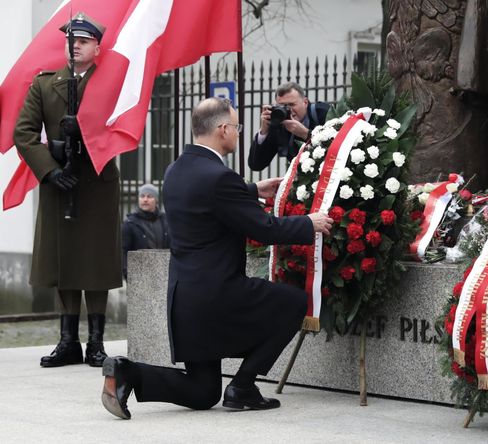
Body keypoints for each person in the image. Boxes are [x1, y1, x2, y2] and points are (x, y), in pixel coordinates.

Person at [100, 98, 333, 419]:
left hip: (185, 301)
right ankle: (243, 386)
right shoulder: (219, 177)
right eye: (236, 127)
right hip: (219, 297)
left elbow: (207, 200)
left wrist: (251, 189)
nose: (238, 133)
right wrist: (310, 223)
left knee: (203, 391)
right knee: (294, 303)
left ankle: (127, 374)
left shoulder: (176, 169)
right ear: (222, 130)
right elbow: (264, 228)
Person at [13, 13, 121, 368]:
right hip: (59, 182)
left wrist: (87, 129)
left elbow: (123, 129)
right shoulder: (44, 84)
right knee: (65, 260)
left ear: (97, 46)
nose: (75, 45)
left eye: (83, 40)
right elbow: (24, 133)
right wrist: (49, 171)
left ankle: (96, 342)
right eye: (71, 40)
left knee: (95, 261)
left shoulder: (112, 82)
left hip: (96, 181)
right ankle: (67, 340)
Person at [248, 82, 329, 170]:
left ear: (305, 102)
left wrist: (305, 134)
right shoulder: (278, 121)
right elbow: (256, 165)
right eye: (282, 106)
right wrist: (263, 131)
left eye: (291, 105)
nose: (288, 110)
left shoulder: (322, 113)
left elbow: (338, 149)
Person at [121, 183, 170, 279]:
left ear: (156, 200)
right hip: (139, 276)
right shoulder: (130, 223)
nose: (145, 199)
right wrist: (127, 273)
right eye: (142, 196)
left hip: (163, 274)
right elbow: (123, 251)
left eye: (149, 196)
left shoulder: (165, 221)